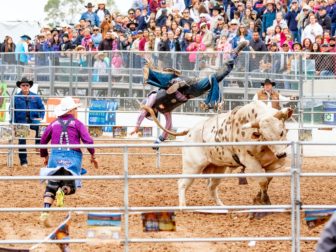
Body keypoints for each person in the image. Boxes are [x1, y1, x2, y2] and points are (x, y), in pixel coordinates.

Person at [131, 41, 249, 149]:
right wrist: (159, 140)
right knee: (217, 76)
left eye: (147, 113)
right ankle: (210, 101)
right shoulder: (165, 110)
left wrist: (137, 126)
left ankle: (211, 99)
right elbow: (169, 125)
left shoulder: (153, 97)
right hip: (194, 92)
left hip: (191, 86)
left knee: (218, 76)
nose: (149, 113)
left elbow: (144, 111)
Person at [39, 97, 98, 227]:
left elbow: (43, 141)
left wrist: (45, 156)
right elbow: (88, 140)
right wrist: (93, 154)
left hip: (55, 156)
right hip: (73, 156)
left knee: (51, 185)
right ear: (71, 110)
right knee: (71, 185)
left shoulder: (53, 124)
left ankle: (45, 210)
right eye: (75, 109)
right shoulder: (77, 124)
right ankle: (63, 190)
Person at [12, 77, 45, 168]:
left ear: (29, 86)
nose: (25, 86)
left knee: (41, 128)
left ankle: (38, 145)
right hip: (21, 121)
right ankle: (23, 162)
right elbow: (11, 111)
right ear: (20, 86)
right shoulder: (16, 97)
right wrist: (13, 122)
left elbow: (42, 108)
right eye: (23, 85)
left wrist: (41, 117)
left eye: (27, 85)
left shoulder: (36, 96)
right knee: (22, 141)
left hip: (33, 119)